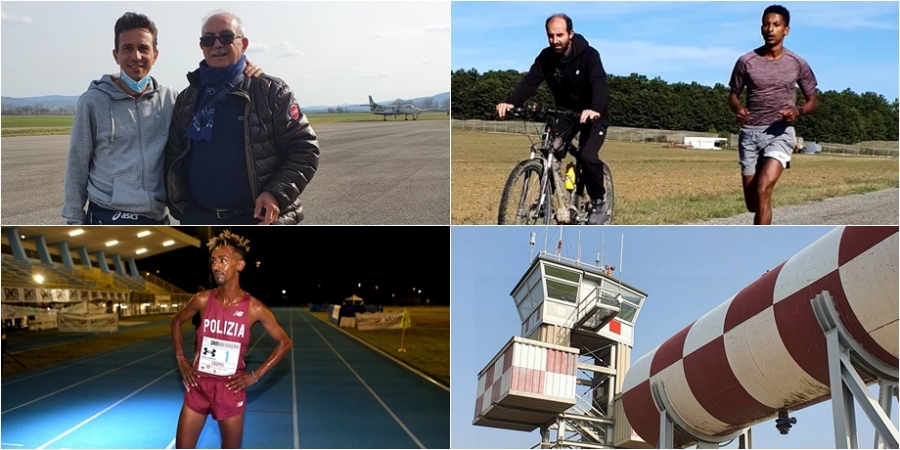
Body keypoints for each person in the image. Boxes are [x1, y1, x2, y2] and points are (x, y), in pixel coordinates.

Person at [62, 13, 262, 225]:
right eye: (127, 48)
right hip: (106, 218)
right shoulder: (92, 102)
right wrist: (75, 222)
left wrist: (245, 69)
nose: (136, 56)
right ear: (116, 55)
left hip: (156, 219)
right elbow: (77, 167)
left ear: (155, 55)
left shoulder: (172, 100)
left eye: (143, 48)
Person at [165, 11, 320, 225]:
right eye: (208, 39)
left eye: (227, 37)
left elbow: (305, 148)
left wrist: (275, 193)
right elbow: (174, 154)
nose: (217, 44)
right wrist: (182, 208)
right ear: (202, 46)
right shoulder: (187, 98)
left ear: (244, 44)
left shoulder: (271, 91)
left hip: (257, 219)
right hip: (200, 218)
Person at [171, 230, 292, 449]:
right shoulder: (202, 299)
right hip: (199, 384)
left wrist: (256, 375)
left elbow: (285, 342)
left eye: (223, 260)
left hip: (230, 388)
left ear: (240, 265)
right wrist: (180, 357)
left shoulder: (254, 308)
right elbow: (177, 321)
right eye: (214, 261)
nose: (216, 266)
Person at [496, 13, 611, 225]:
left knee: (587, 156)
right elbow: (530, 82)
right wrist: (511, 102)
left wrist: (594, 109)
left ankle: (598, 201)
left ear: (570, 34)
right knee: (552, 147)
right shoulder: (546, 57)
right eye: (550, 36)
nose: (555, 40)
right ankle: (553, 200)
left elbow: (599, 84)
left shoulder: (589, 55)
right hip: (565, 112)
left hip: (593, 113)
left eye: (559, 35)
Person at [728, 4, 817, 225]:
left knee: (763, 189)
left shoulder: (797, 63)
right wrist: (738, 108)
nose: (770, 29)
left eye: (776, 25)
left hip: (780, 133)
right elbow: (733, 95)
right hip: (750, 134)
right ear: (761, 28)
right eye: (766, 24)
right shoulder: (746, 61)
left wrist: (797, 111)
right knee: (752, 203)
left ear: (786, 30)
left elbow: (813, 100)